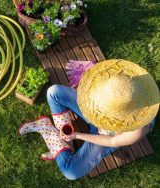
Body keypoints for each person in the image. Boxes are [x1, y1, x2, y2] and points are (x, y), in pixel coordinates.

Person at [19, 59, 159, 180]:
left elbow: (112, 141)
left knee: (70, 172)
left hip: (104, 136)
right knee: (54, 92)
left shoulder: (140, 127)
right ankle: (66, 144)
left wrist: (77, 135)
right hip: (94, 111)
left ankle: (48, 131)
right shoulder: (123, 84)